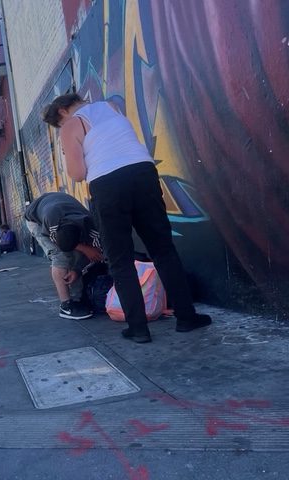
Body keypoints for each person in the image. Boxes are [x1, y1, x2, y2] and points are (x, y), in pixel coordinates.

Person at [42, 93, 211, 343]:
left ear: (62, 112)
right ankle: (187, 317)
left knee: (120, 259)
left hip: (108, 185)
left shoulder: (70, 125)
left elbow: (77, 174)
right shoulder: (112, 107)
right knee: (163, 250)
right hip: (143, 173)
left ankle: (138, 328)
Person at [25, 192, 103, 320]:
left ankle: (77, 299)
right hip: (36, 220)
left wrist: (77, 270)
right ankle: (65, 306)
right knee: (61, 256)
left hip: (61, 211)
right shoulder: (51, 219)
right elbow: (61, 244)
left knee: (78, 254)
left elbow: (93, 252)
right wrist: (84, 249)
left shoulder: (92, 227)